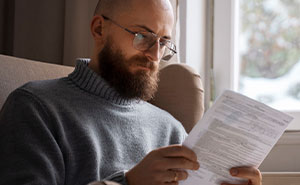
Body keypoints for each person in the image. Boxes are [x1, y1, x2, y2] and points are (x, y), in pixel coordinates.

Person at [0, 0, 262, 185]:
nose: (154, 54)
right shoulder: (35, 108)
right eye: (142, 36)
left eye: (164, 42)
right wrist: (128, 182)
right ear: (99, 29)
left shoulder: (170, 129)